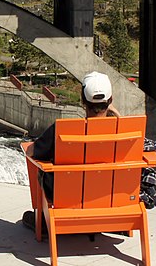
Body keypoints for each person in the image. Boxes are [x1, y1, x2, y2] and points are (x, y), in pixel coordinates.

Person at [22, 71, 119, 232]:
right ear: (110, 101)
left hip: (65, 197)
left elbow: (32, 152)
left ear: (82, 101)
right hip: (109, 197)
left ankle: (42, 221)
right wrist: (115, 113)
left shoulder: (62, 130)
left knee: (40, 165)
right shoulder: (122, 132)